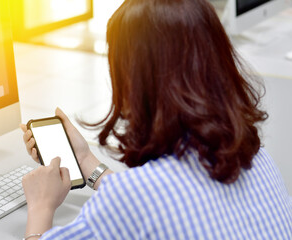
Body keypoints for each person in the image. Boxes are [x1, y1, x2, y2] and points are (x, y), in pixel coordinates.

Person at [20, 0, 292, 239]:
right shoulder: (257, 159)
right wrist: (85, 160)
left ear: (132, 83)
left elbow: (139, 200)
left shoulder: (133, 199)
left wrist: (41, 206)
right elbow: (161, 199)